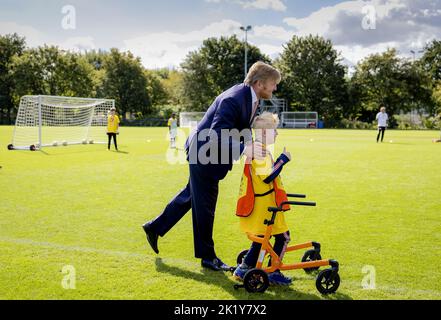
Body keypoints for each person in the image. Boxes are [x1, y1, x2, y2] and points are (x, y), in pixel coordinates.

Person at [142, 61, 281, 271]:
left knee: (191, 196)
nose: (275, 88)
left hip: (210, 155)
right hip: (204, 153)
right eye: (273, 83)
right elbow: (215, 135)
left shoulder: (250, 97)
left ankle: (155, 227)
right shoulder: (234, 98)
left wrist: (253, 146)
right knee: (205, 206)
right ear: (260, 83)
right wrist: (244, 149)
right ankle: (208, 257)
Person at [233, 112, 292, 285]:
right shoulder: (260, 151)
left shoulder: (258, 149)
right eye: (275, 130)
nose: (277, 134)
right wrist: (283, 159)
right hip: (265, 206)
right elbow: (267, 176)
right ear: (265, 132)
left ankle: (244, 268)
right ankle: (274, 272)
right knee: (284, 237)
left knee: (261, 239)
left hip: (262, 204)